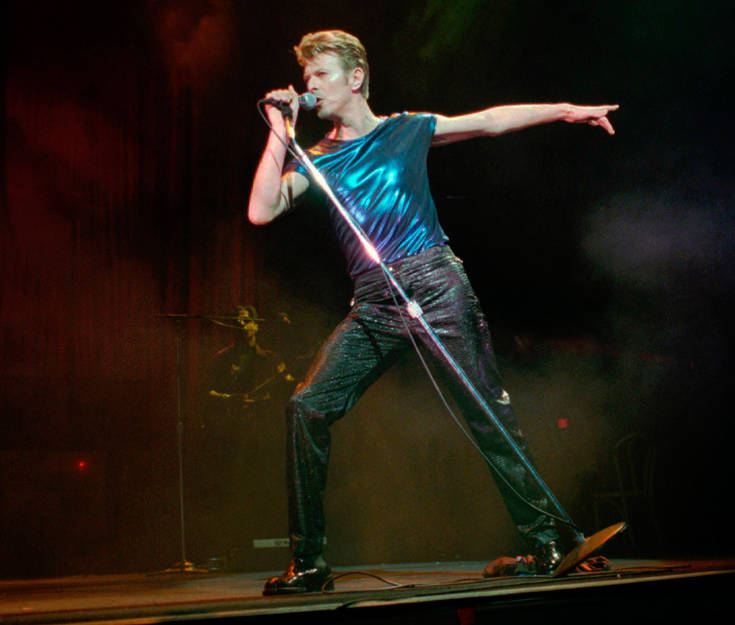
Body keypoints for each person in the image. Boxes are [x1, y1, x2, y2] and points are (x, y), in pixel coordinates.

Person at [248, 30, 618, 594]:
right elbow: (261, 210)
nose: (310, 86)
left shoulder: (406, 129)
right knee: (307, 406)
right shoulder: (318, 157)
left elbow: (489, 121)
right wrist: (280, 132)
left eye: (320, 74)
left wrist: (566, 110)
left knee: (485, 413)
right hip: (374, 303)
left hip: (436, 286)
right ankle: (309, 562)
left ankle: (550, 540)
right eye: (306, 78)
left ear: (355, 77)